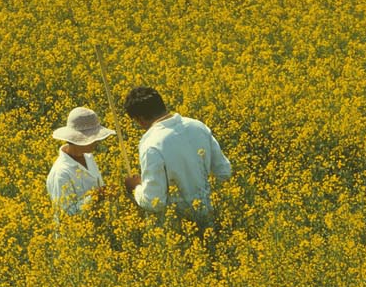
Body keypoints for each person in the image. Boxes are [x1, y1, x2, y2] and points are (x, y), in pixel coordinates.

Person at [121, 86, 231, 225]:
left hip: (177, 226)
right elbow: (224, 172)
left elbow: (154, 201)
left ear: (140, 119)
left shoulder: (152, 144)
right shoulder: (198, 126)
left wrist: (136, 188)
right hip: (212, 218)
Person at [46, 106, 117, 218]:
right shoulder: (60, 173)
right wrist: (96, 196)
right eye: (93, 138)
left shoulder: (88, 157)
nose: (97, 141)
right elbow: (64, 215)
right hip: (74, 234)